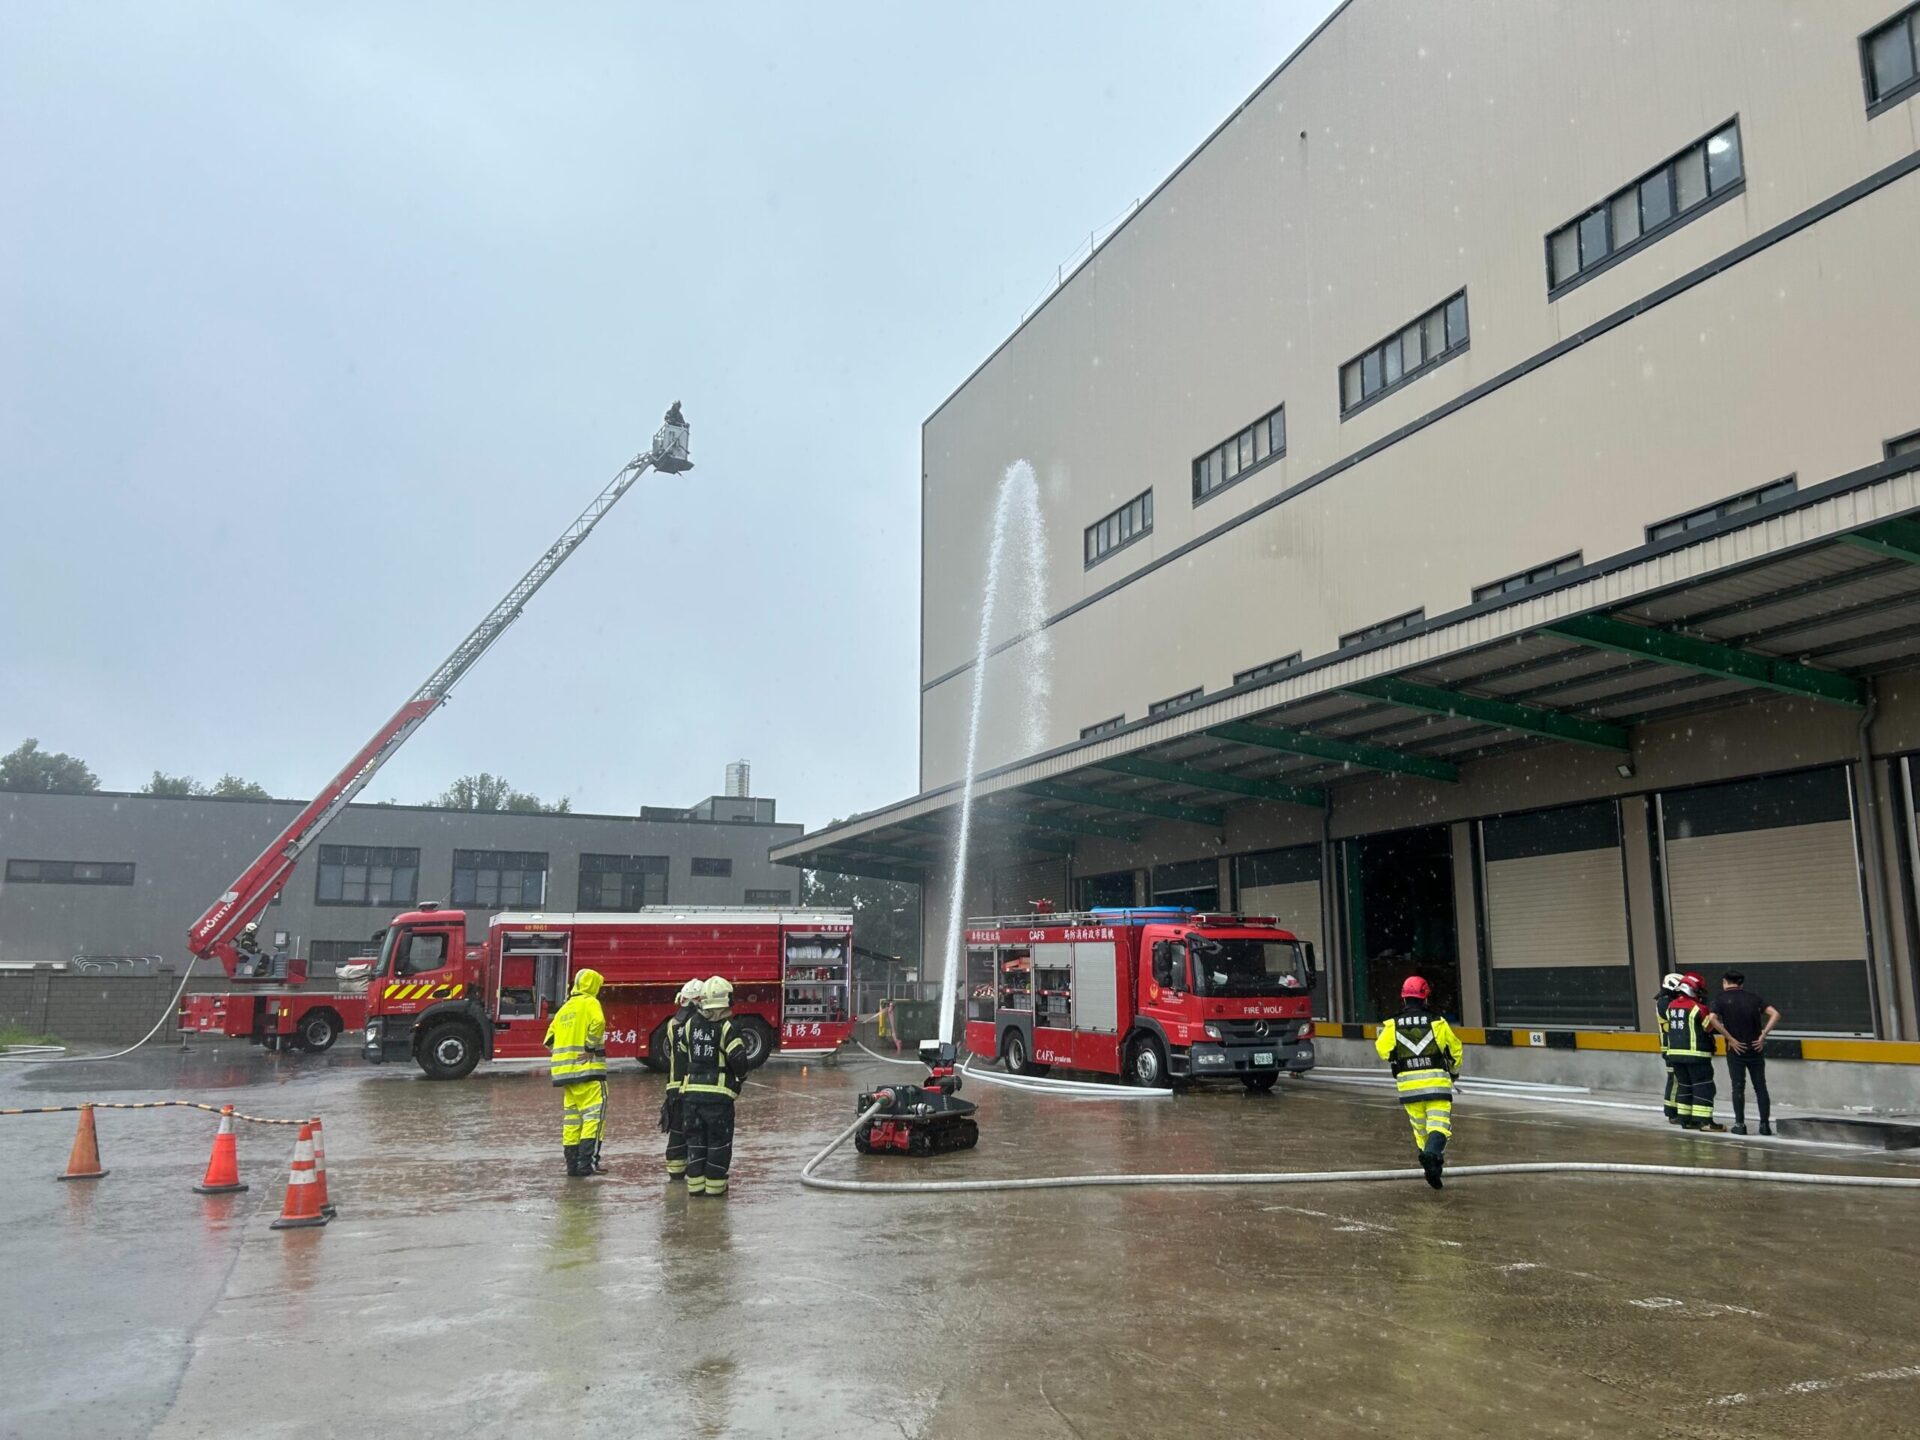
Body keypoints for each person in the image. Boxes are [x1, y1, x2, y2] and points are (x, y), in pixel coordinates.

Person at [1374, 975, 1464, 1189]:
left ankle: (1431, 1166)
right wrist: (1453, 1072)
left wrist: (1399, 1057)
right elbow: (1455, 1050)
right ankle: (1432, 1157)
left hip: (1409, 1089)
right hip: (1437, 1087)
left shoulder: (1392, 1025)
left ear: (1404, 998)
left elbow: (1382, 1049)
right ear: (1425, 998)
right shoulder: (1437, 1023)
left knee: (1421, 1130)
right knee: (1439, 1126)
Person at [681, 975, 749, 1198]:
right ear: (726, 1000)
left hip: (691, 1097)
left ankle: (695, 1188)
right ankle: (715, 1191)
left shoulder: (690, 1023)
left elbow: (682, 1053)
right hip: (718, 1099)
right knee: (718, 1144)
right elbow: (738, 1059)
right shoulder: (728, 1027)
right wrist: (740, 1079)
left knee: (695, 1143)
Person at [544, 968, 608, 1177]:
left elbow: (549, 1040)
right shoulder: (590, 1003)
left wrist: (567, 1057)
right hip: (589, 1073)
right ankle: (586, 1164)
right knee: (594, 1117)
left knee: (572, 1121)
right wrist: (589, 1048)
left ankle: (572, 1165)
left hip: (566, 1076)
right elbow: (599, 1022)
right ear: (592, 985)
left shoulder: (565, 1008)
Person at [1713, 970, 1782, 1135]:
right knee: (1760, 1086)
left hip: (1735, 1049)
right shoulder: (1754, 998)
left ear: (1725, 982)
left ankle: (1740, 1124)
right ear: (1741, 983)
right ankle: (1764, 1125)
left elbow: (1712, 1018)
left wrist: (1730, 1038)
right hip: (1755, 1048)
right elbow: (1775, 1014)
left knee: (1738, 1087)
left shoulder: (1721, 999)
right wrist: (1763, 1034)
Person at [1661, 971, 1727, 1132]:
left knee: (1684, 1086)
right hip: (1696, 1055)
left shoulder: (1671, 1006)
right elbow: (1709, 1027)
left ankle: (1686, 1120)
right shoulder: (1698, 1008)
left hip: (1674, 1055)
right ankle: (1705, 1122)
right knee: (1703, 1086)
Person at [660, 978, 703, 1180]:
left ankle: (675, 1172)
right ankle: (696, 1171)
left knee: (677, 1131)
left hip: (674, 1088)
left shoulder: (672, 1024)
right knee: (696, 1132)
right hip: (696, 1087)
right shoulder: (699, 1025)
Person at [1655, 972, 1685, 1124]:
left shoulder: (1667, 1001)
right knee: (1674, 1080)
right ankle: (1671, 1112)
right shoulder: (1664, 1002)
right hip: (1669, 1047)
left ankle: (1677, 1109)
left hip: (1675, 1046)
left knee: (1678, 1079)